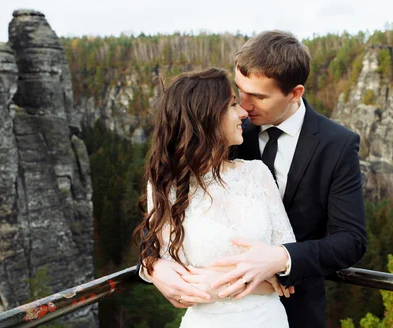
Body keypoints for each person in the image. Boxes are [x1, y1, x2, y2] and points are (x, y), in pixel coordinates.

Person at [142, 30, 368, 327]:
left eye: (258, 97)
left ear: (295, 93)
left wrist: (282, 258)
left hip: (295, 312)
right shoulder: (223, 134)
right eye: (239, 93)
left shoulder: (336, 144)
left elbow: (351, 240)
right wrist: (154, 267)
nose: (245, 108)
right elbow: (166, 217)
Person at [134, 68, 296, 327]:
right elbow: (176, 279)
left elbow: (285, 274)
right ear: (206, 117)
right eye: (233, 105)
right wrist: (152, 268)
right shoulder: (165, 187)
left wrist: (212, 281)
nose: (243, 112)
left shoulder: (257, 174)